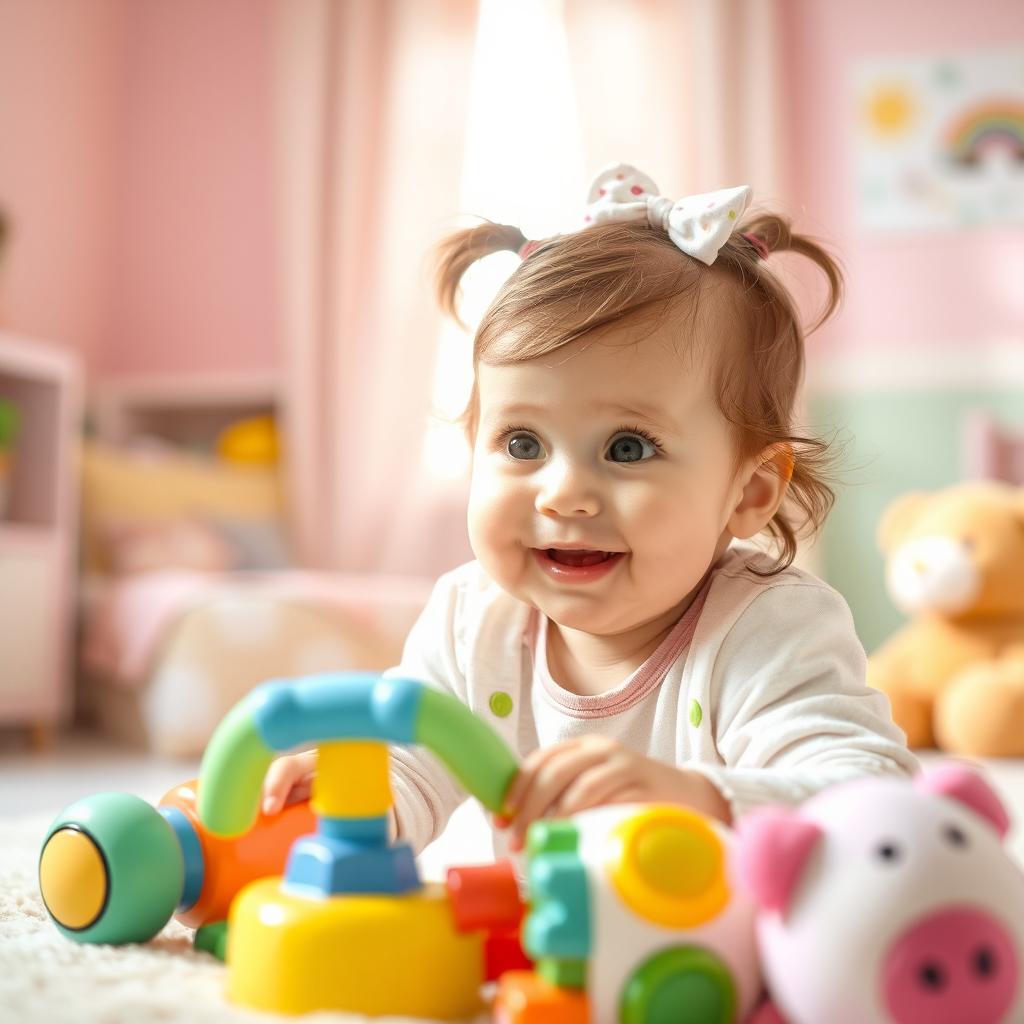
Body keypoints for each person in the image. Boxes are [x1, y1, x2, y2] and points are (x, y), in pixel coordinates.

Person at [262, 163, 916, 855]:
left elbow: (872, 799)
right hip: (545, 954)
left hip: (715, 951)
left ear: (749, 492)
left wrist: (703, 799)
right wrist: (362, 796)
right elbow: (418, 760)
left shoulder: (767, 628)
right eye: (522, 442)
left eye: (628, 447)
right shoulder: (470, 622)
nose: (564, 493)